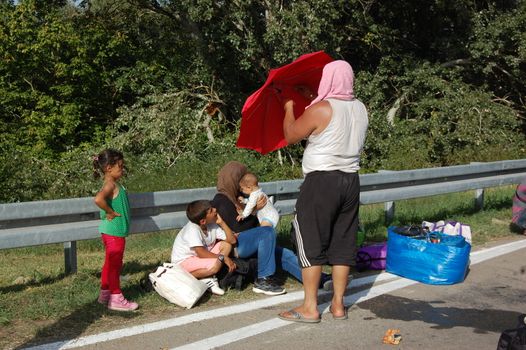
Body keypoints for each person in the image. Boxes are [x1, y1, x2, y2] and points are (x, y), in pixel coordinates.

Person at [278, 60, 369, 323]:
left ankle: (310, 307)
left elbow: (291, 135)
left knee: (312, 240)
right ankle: (338, 305)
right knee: (343, 242)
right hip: (350, 181)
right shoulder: (361, 108)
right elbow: (336, 121)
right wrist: (311, 98)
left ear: (328, 79)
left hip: (321, 182)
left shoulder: (321, 109)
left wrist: (289, 108)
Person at [212, 161, 331, 295]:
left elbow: (252, 226)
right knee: (267, 232)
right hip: (235, 247)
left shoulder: (237, 198)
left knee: (284, 254)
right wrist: (255, 210)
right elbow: (238, 230)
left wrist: (257, 211)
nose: (242, 184)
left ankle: (319, 279)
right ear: (232, 179)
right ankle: (264, 280)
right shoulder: (221, 201)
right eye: (240, 178)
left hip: (248, 242)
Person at [93, 148, 138, 311]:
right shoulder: (110, 184)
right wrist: (110, 212)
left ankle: (105, 293)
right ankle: (116, 298)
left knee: (109, 264)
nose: (122, 169)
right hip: (113, 232)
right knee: (115, 266)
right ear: (108, 168)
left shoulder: (113, 183)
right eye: (120, 166)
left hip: (112, 231)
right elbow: (98, 199)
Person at [171, 200, 237, 295]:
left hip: (199, 257)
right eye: (211, 211)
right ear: (202, 221)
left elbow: (232, 241)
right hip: (184, 261)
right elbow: (201, 253)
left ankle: (207, 276)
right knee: (215, 264)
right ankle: (182, 277)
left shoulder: (211, 224)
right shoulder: (192, 229)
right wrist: (223, 258)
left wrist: (222, 222)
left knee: (226, 245)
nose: (215, 210)